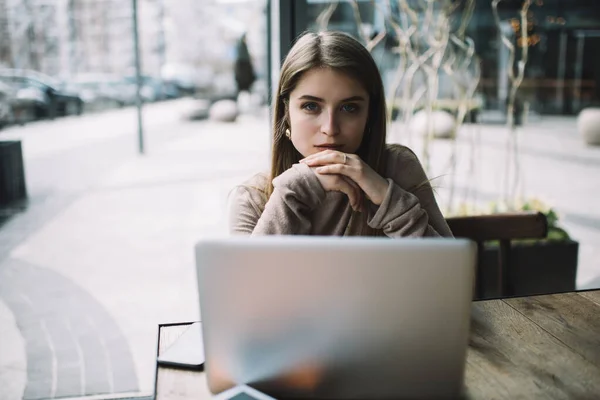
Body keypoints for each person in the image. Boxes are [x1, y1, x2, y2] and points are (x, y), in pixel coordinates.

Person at [228, 31, 452, 237]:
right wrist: (295, 190)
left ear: (369, 115)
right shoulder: (253, 197)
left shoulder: (397, 168)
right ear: (286, 113)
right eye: (311, 106)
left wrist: (388, 200)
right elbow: (250, 281)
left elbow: (452, 275)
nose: (330, 128)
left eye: (349, 108)